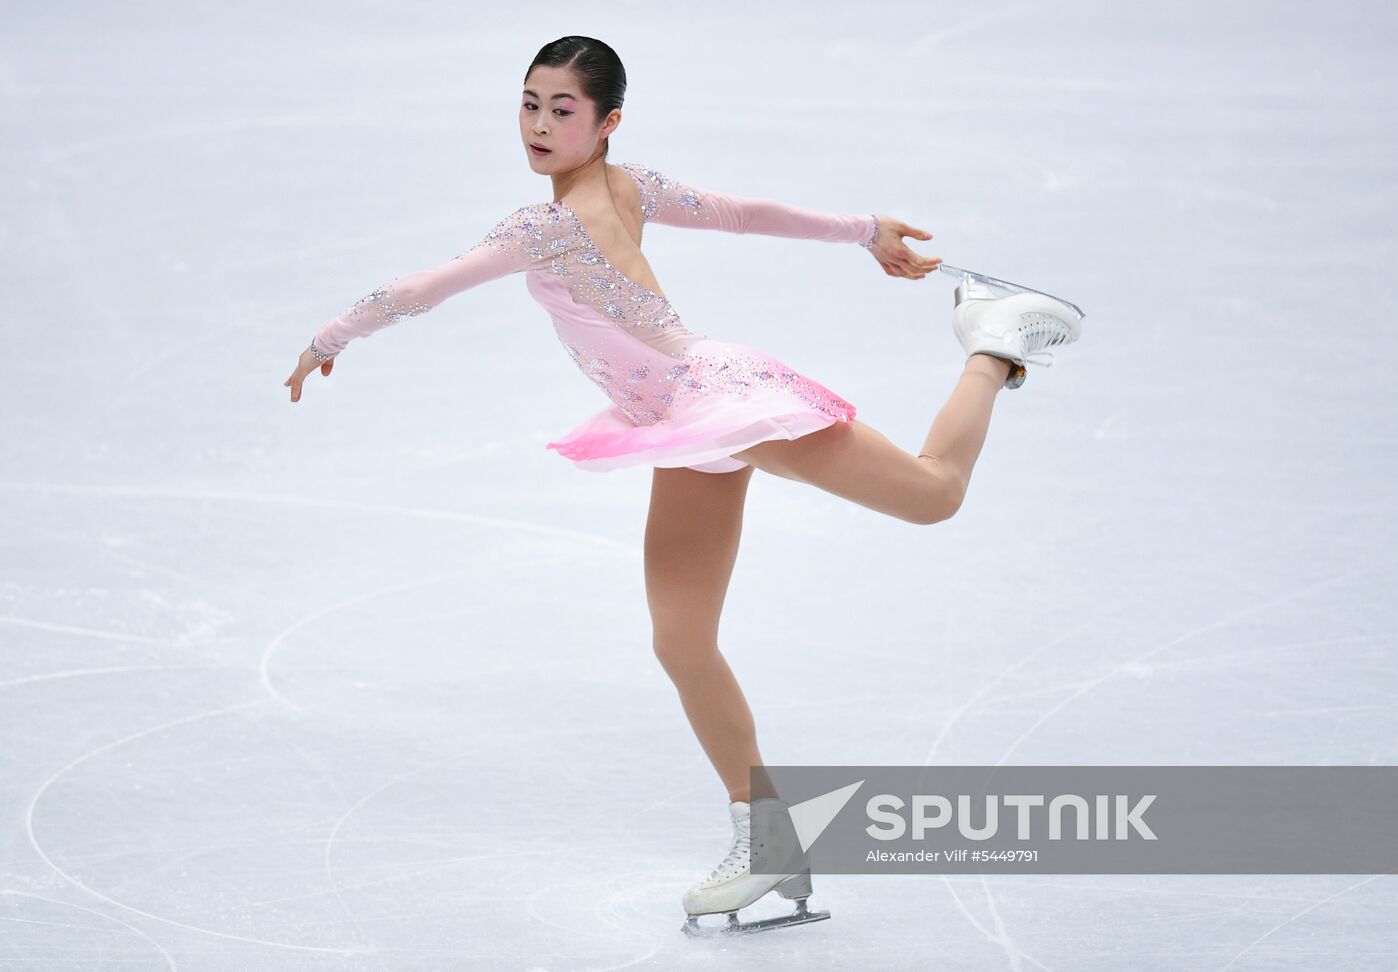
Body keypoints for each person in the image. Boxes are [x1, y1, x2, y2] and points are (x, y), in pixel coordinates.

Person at [283, 35, 1081, 935]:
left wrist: (331, 335)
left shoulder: (551, 221)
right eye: (530, 104)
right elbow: (741, 212)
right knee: (681, 640)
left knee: (935, 494)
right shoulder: (612, 191)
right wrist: (860, 231)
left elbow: (428, 285)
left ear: (607, 122)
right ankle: (767, 838)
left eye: (563, 109)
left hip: (720, 399)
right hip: (678, 428)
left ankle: (995, 342)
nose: (541, 124)